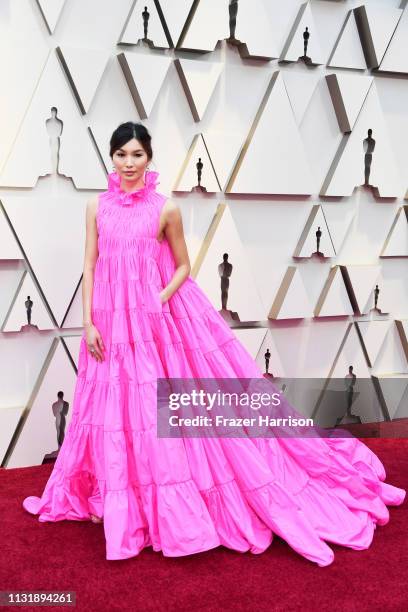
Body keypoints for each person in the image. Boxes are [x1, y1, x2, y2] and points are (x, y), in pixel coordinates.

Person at [23, 122, 405, 567]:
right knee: (113, 407)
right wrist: (87, 322)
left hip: (152, 321)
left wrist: (158, 299)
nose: (128, 164)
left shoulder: (166, 210)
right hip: (109, 321)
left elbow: (183, 266)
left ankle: (155, 505)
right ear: (111, 157)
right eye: (121, 155)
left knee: (153, 409)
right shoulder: (95, 206)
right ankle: (116, 497)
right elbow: (90, 263)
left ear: (149, 159)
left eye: (137, 155)